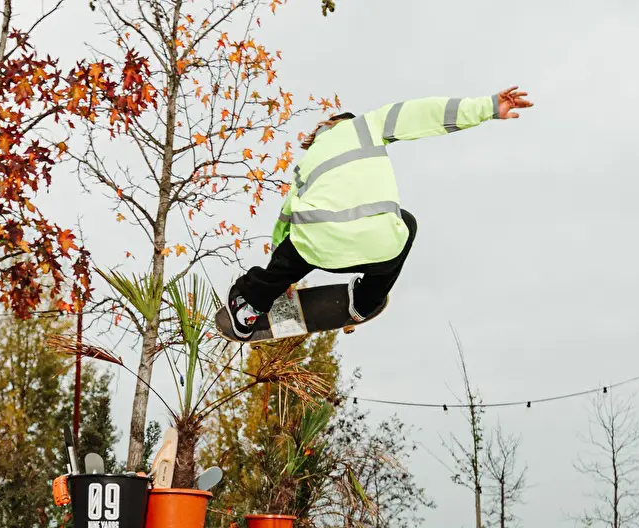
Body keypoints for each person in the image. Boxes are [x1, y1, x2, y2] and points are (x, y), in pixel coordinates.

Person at [224, 87, 534, 340]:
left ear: (329, 125)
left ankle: (249, 304)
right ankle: (364, 302)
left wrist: (277, 277)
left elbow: (286, 218)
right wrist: (487, 107)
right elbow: (421, 113)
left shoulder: (309, 161)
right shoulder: (369, 125)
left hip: (318, 244)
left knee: (298, 237)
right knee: (406, 223)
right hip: (377, 246)